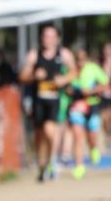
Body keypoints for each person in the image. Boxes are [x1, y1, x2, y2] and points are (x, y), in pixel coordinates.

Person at [19, 24, 78, 182]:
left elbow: (74, 71)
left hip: (55, 99)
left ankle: (52, 160)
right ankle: (42, 165)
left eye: (52, 36)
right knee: (39, 135)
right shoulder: (34, 54)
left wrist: (64, 79)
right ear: (41, 38)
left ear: (57, 39)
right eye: (45, 36)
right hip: (38, 100)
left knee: (50, 130)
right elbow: (23, 76)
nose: (48, 40)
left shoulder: (64, 54)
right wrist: (34, 75)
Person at [68, 48, 109, 179]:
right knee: (78, 137)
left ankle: (93, 148)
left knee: (92, 135)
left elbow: (105, 83)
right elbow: (66, 87)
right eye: (78, 60)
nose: (80, 62)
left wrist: (92, 91)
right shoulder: (71, 70)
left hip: (92, 105)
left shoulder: (93, 68)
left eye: (82, 59)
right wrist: (76, 91)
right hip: (76, 106)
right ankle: (79, 166)